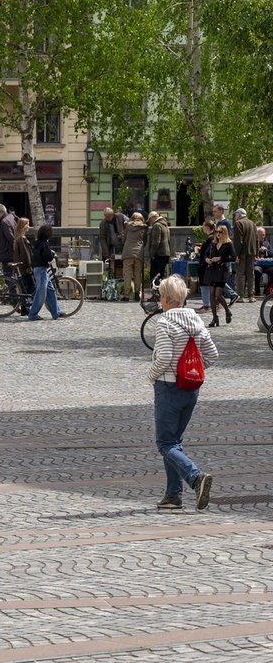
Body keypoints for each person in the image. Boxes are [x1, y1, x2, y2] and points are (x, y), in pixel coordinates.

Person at [148, 274, 216, 511]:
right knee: (175, 441)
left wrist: (151, 374)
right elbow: (212, 355)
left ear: (166, 299)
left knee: (165, 443)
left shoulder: (164, 322)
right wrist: (193, 370)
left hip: (168, 386)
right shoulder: (196, 320)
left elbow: (165, 356)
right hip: (191, 388)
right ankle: (173, 495)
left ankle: (196, 478)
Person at [27, 223, 61, 320]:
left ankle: (56, 312)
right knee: (41, 294)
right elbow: (47, 257)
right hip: (41, 270)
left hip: (39, 269)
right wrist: (52, 254)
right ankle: (33, 314)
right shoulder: (44, 244)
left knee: (50, 291)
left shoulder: (38, 243)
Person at [204, 223, 234, 328]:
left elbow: (233, 258)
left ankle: (227, 310)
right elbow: (206, 253)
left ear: (224, 233)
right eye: (216, 232)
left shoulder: (228, 244)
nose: (217, 234)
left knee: (218, 294)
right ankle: (214, 317)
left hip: (222, 271)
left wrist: (220, 258)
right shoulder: (213, 243)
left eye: (220, 232)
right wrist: (207, 259)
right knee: (211, 293)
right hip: (212, 270)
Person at [232, 207, 258, 302]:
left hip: (242, 253)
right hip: (252, 252)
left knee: (240, 274)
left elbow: (238, 241)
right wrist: (257, 254)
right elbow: (256, 239)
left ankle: (240, 296)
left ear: (239, 215)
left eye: (235, 215)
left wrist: (237, 255)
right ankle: (251, 296)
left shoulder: (238, 223)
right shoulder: (252, 223)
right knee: (251, 274)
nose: (235, 216)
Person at [119, 212, 147, 302]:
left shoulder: (128, 227)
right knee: (137, 274)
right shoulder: (144, 228)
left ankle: (126, 295)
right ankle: (137, 294)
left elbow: (124, 239)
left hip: (127, 253)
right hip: (139, 253)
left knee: (128, 274)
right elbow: (145, 241)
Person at [98, 207, 123, 288]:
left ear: (112, 214)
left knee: (123, 266)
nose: (107, 218)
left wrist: (123, 235)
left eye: (109, 216)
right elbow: (102, 238)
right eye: (106, 216)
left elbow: (129, 225)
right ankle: (112, 286)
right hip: (111, 247)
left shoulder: (121, 217)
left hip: (123, 245)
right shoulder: (103, 223)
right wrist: (106, 252)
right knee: (111, 268)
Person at [146, 210, 171, 290]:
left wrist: (152, 254)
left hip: (159, 254)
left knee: (154, 276)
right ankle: (160, 294)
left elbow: (155, 242)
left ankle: (154, 295)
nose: (150, 222)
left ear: (154, 217)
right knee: (161, 276)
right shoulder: (165, 225)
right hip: (165, 254)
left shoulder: (157, 225)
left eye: (150, 220)